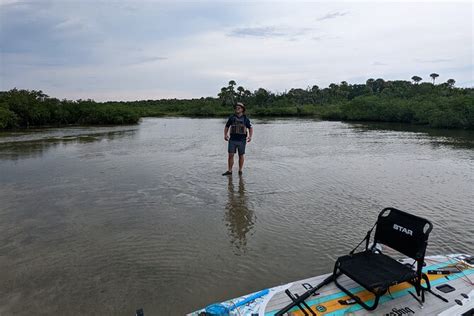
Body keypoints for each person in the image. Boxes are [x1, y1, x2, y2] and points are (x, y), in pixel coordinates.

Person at [222, 102, 253, 176]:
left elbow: (250, 128)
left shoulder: (246, 119)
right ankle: (229, 171)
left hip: (242, 140)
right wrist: (225, 135)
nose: (237, 108)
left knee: (241, 155)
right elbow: (227, 126)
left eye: (239, 107)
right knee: (230, 155)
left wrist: (250, 136)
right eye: (236, 107)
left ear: (242, 109)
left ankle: (240, 170)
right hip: (232, 139)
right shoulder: (231, 118)